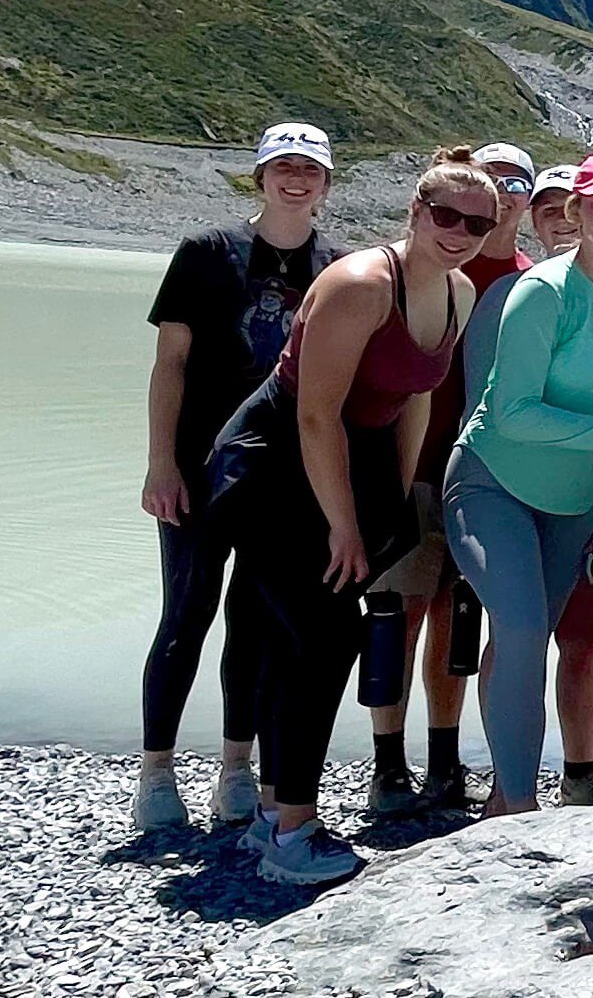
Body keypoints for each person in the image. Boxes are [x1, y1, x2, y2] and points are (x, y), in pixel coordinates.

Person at [208, 148, 493, 884]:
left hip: (349, 457)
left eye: (478, 221)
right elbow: (311, 413)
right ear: (415, 211)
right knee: (324, 635)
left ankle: (274, 811)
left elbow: (415, 397)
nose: (459, 230)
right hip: (275, 463)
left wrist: (390, 505)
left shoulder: (458, 292)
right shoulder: (361, 283)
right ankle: (291, 831)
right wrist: (343, 523)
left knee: (302, 636)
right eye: (446, 214)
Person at [448, 150, 593, 817]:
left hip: (572, 506)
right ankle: (518, 806)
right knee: (520, 630)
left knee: (528, 636)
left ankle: (502, 791)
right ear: (576, 212)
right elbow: (511, 411)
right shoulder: (541, 292)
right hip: (493, 483)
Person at [133, 122, 344, 831]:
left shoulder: (335, 267)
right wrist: (161, 462)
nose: (296, 178)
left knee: (254, 627)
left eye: (309, 168)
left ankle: (235, 768)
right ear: (260, 174)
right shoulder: (204, 254)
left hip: (276, 479)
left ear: (326, 181)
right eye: (283, 165)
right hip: (197, 468)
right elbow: (171, 364)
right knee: (185, 614)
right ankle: (156, 772)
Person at [364, 142, 534, 818]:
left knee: (456, 619)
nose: (506, 194)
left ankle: (442, 758)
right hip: (410, 469)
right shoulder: (417, 263)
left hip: (486, 476)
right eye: (496, 181)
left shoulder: (533, 277)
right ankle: (385, 765)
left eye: (518, 182)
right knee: (394, 614)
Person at [529, 165, 583, 255]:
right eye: (550, 210)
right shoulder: (536, 270)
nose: (562, 218)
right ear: (535, 222)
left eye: (572, 207)